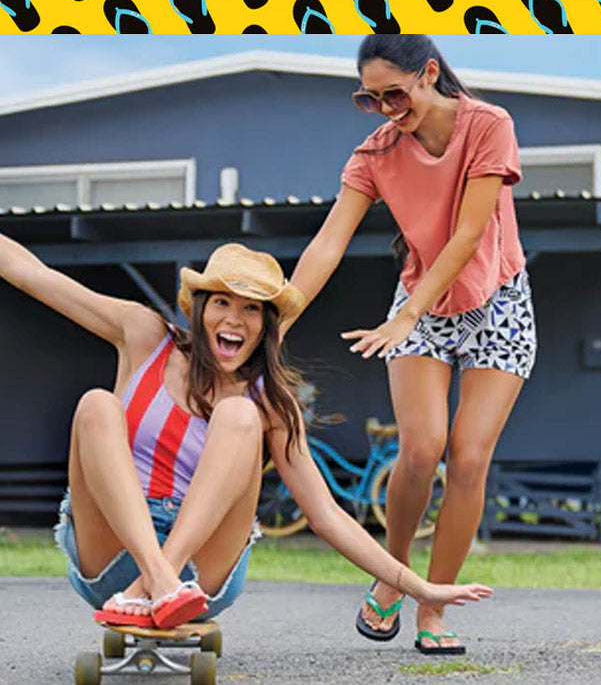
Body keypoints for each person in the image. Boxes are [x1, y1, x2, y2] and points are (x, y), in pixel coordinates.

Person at [0, 234, 492, 630]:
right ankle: (155, 579)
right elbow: (31, 274)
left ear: (266, 324)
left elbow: (325, 515)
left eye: (252, 308)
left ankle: (159, 580)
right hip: (109, 549)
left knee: (239, 415)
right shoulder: (144, 335)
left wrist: (415, 586)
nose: (234, 318)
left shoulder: (271, 404)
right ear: (199, 308)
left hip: (202, 571)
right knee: (96, 405)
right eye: (221, 302)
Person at [280, 34, 537, 655]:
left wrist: (408, 315)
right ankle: (393, 576)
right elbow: (327, 244)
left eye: (394, 93)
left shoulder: (488, 125)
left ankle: (434, 607)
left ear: (428, 74)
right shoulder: (374, 155)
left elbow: (471, 235)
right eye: (370, 100)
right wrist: (278, 321)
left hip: (498, 300)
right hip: (420, 303)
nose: (387, 109)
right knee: (421, 449)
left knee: (469, 459)